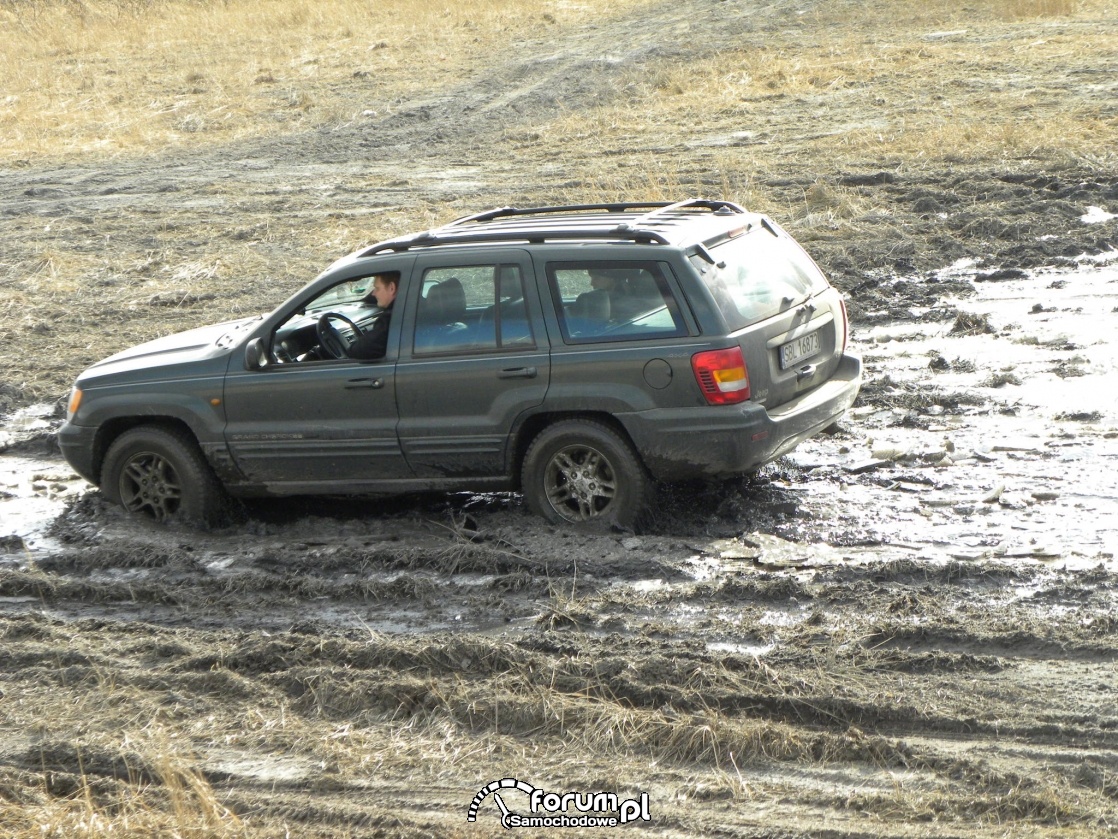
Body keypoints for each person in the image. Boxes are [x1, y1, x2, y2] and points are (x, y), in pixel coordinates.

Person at [348, 272, 399, 360]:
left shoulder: (392, 318)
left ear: (391, 288)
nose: (373, 293)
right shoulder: (414, 310)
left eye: (377, 288)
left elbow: (361, 350)